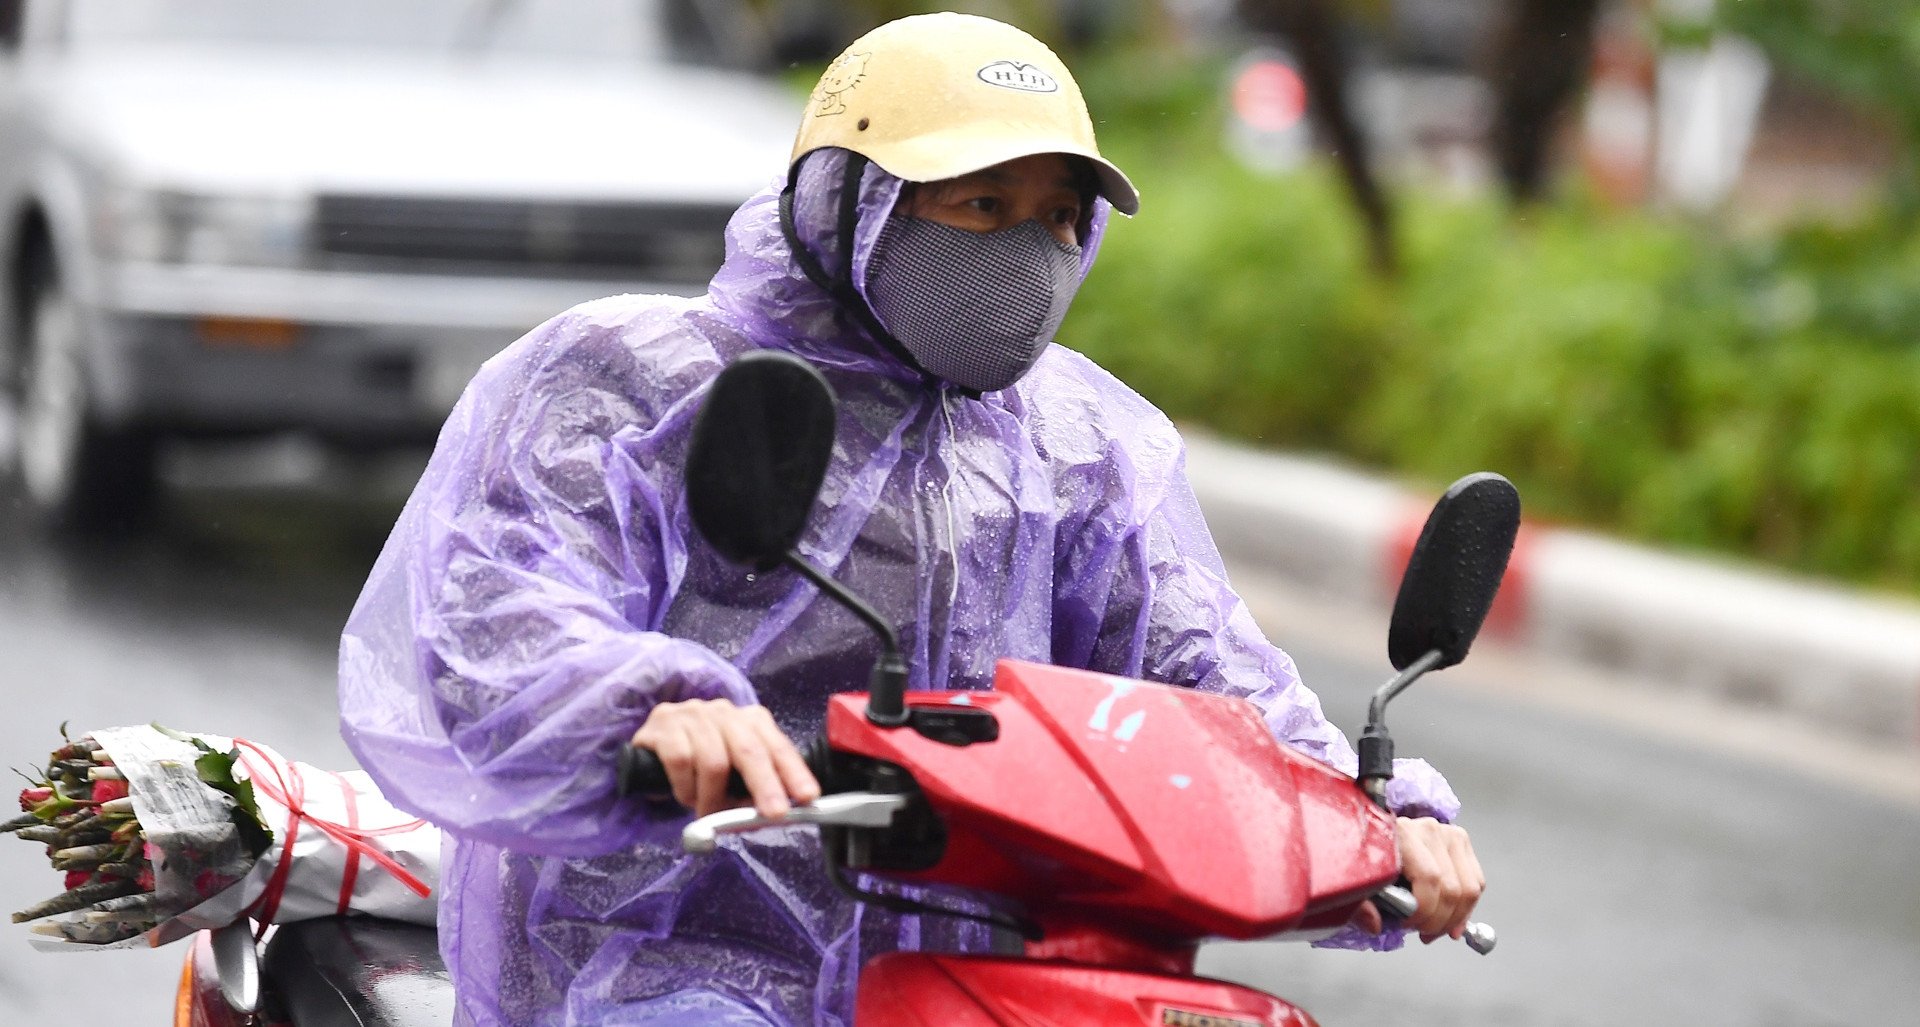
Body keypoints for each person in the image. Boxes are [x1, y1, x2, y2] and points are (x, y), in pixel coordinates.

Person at [338, 12, 1484, 1026]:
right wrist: (646, 704)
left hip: (981, 972)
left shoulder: (1080, 444)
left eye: (1058, 218)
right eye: (980, 205)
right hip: (663, 956)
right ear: (849, 202)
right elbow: (499, 606)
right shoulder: (633, 380)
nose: (1024, 253)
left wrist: (1369, 808)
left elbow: (1202, 671)